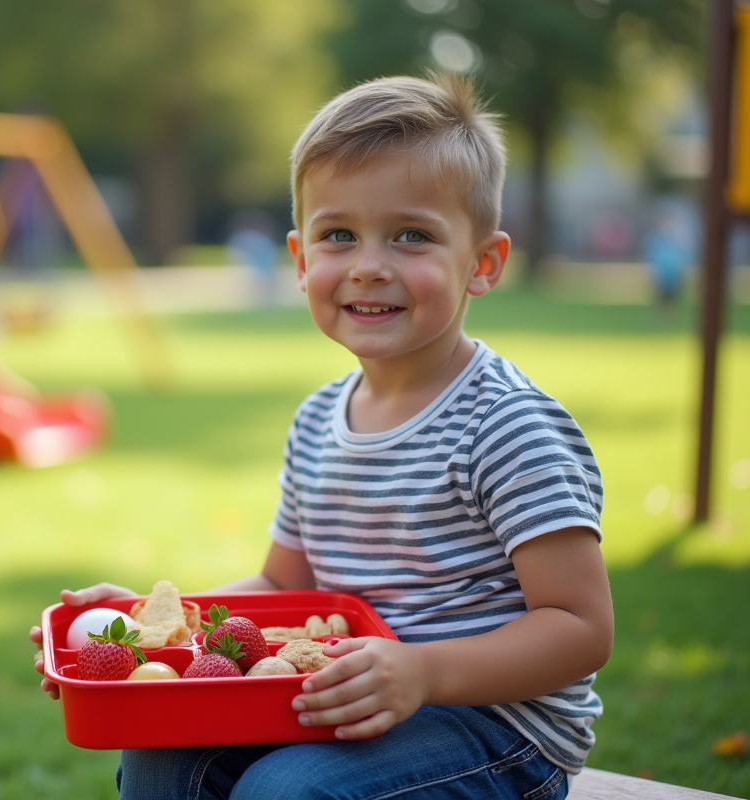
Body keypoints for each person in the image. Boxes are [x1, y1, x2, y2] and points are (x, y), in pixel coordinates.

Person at [30, 73, 613, 800]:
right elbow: (283, 584)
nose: (370, 265)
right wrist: (160, 627)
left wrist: (425, 672)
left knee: (286, 792)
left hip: (495, 726)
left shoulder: (505, 427)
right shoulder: (317, 421)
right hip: (338, 690)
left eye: (413, 235)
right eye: (339, 235)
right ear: (302, 260)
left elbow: (580, 626)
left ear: (483, 263)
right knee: (163, 755)